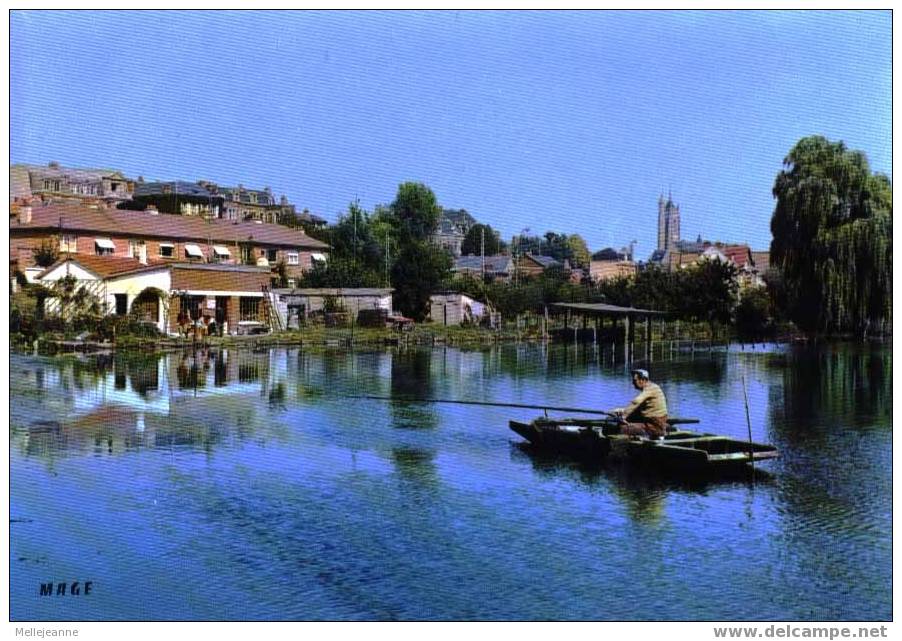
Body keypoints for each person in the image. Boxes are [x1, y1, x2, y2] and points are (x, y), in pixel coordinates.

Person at [612, 369, 670, 439]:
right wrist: (622, 411)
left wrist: (623, 416)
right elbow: (639, 408)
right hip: (652, 421)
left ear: (643, 380)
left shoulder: (650, 389)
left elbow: (636, 402)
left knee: (621, 428)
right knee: (626, 420)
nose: (632, 383)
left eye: (634, 380)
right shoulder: (651, 388)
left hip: (655, 426)